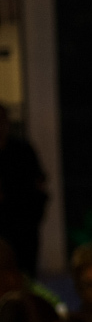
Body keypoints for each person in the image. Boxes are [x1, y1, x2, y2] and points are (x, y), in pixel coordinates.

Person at [0, 105, 49, 277]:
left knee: (26, 271)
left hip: (23, 223)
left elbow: (38, 181)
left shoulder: (22, 150)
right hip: (4, 224)